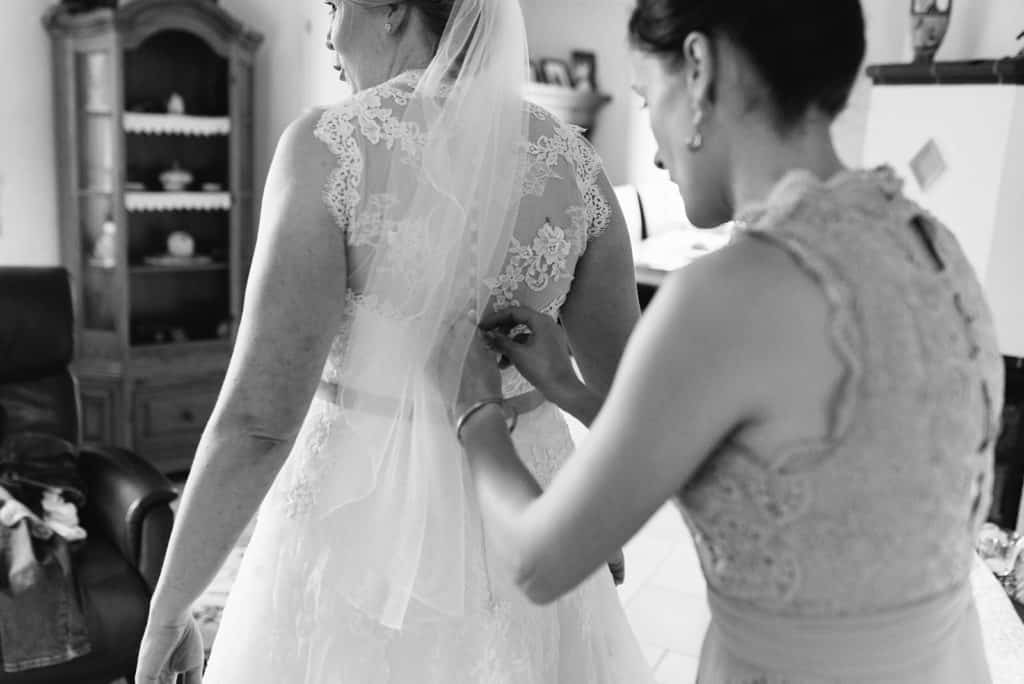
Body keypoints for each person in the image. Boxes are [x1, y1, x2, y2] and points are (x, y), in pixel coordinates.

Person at [452, 0, 1003, 681]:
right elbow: (768, 470)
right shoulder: (931, 244)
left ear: (698, 67)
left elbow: (538, 563)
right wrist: (566, 383)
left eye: (646, 98)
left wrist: (476, 411)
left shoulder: (726, 293)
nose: (656, 150)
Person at [135, 0, 654, 682]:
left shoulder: (327, 149)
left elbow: (257, 424)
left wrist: (169, 612)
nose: (329, 36)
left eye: (334, 6)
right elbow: (636, 406)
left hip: (358, 525)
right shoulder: (576, 166)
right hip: (532, 508)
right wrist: (600, 519)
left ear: (392, 10)